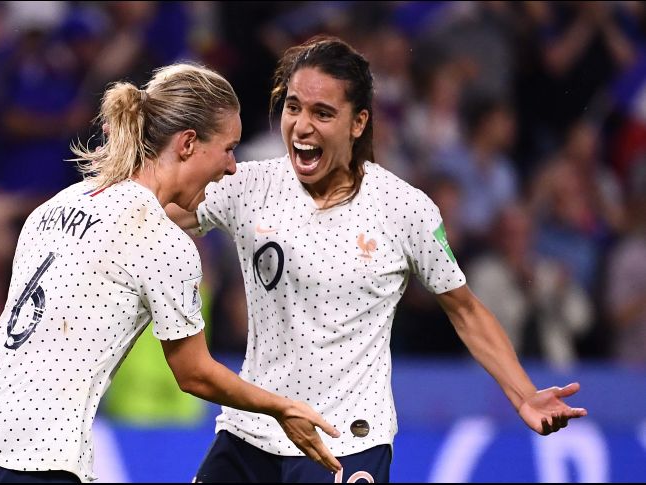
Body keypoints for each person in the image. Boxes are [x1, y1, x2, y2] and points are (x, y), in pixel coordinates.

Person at [166, 36, 588, 483]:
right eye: (293, 107)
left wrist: (522, 394)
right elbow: (157, 212)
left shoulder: (404, 209)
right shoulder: (248, 185)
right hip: (249, 433)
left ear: (358, 122)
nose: (301, 127)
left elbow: (464, 310)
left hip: (346, 443)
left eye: (322, 113)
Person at [0, 62, 342, 483]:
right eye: (228, 148)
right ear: (188, 143)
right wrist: (281, 407)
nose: (231, 167)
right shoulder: (163, 242)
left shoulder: (56, 205)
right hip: (37, 457)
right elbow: (194, 373)